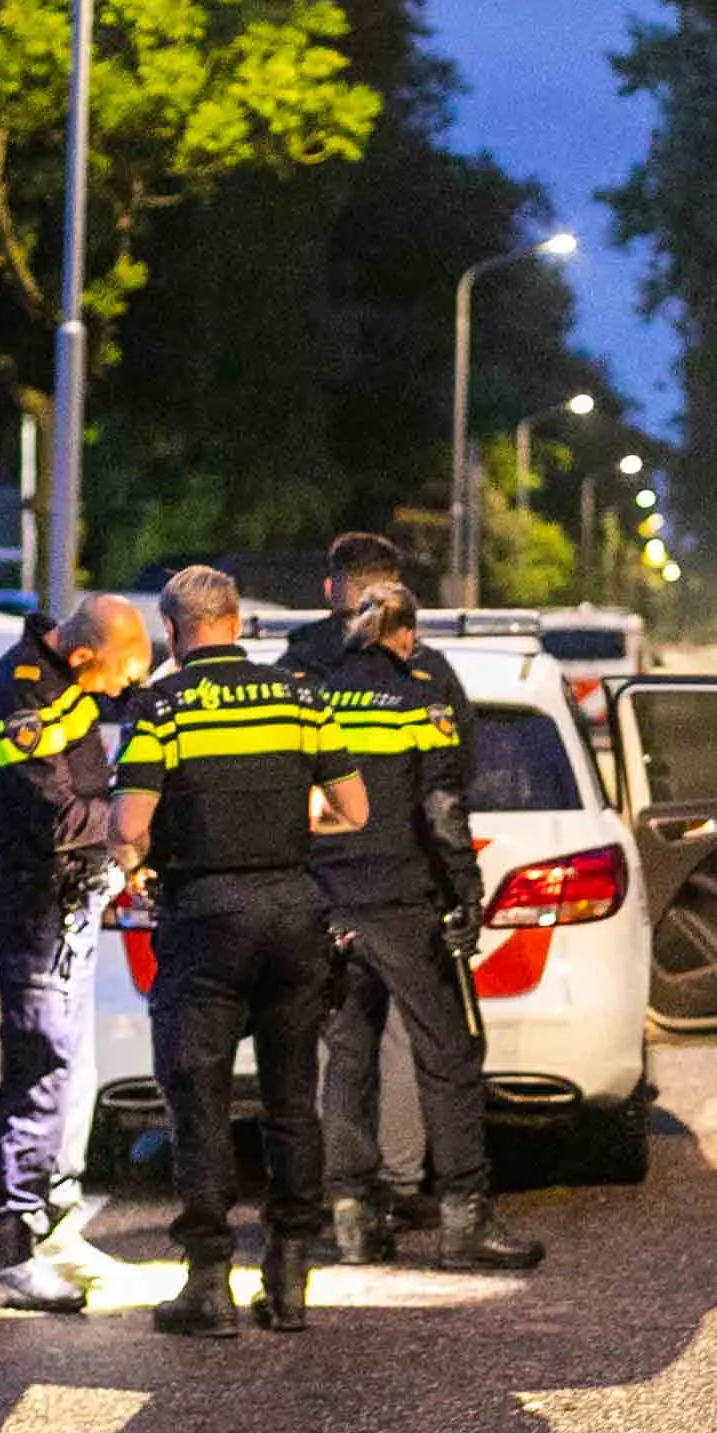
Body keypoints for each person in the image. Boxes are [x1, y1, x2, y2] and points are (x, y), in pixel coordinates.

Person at [115, 565, 368, 1338]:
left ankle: (209, 1285)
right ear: (236, 622)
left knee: (202, 1102)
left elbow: (128, 828)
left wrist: (142, 862)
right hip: (294, 913)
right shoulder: (300, 696)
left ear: (172, 632)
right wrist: (284, 836)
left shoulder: (163, 707)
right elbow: (351, 811)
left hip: (205, 917)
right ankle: (289, 1279)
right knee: (293, 1100)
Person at [310, 580, 545, 1272]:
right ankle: (464, 1224)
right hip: (403, 902)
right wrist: (465, 891)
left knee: (347, 1060)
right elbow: (442, 807)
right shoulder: (420, 696)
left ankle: (352, 1221)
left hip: (330, 901)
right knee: (450, 1055)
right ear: (405, 635)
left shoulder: (317, 696)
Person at [0, 593, 157, 1313]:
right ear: (81, 657)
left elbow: (90, 782)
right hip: (34, 905)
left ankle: (53, 1228)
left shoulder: (61, 676)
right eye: (117, 677)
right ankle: (10, 1254)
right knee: (42, 1064)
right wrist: (141, 818)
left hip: (66, 901)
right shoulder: (24, 704)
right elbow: (63, 817)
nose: (121, 691)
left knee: (74, 1067)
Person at [284, 530, 468, 1237]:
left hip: (323, 882)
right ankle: (406, 1182)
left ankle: (348, 1201)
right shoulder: (427, 674)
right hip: (405, 885)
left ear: (335, 588)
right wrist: (461, 888)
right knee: (413, 1045)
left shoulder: (300, 666)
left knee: (342, 1047)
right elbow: (451, 779)